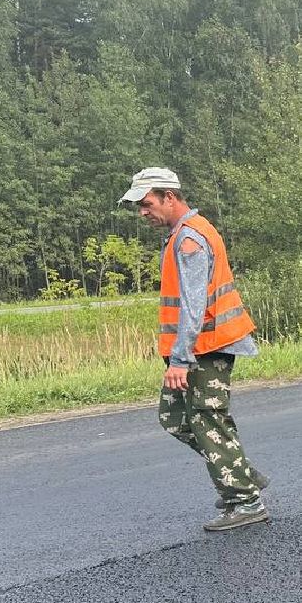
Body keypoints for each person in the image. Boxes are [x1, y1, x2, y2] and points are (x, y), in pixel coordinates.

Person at [121, 167, 271, 532]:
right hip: (198, 348)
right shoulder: (183, 233)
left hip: (206, 348)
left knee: (208, 418)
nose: (143, 212)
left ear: (169, 197)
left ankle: (245, 500)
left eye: (147, 203)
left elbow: (192, 304)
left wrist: (180, 359)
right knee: (173, 418)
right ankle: (241, 476)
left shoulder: (190, 239)